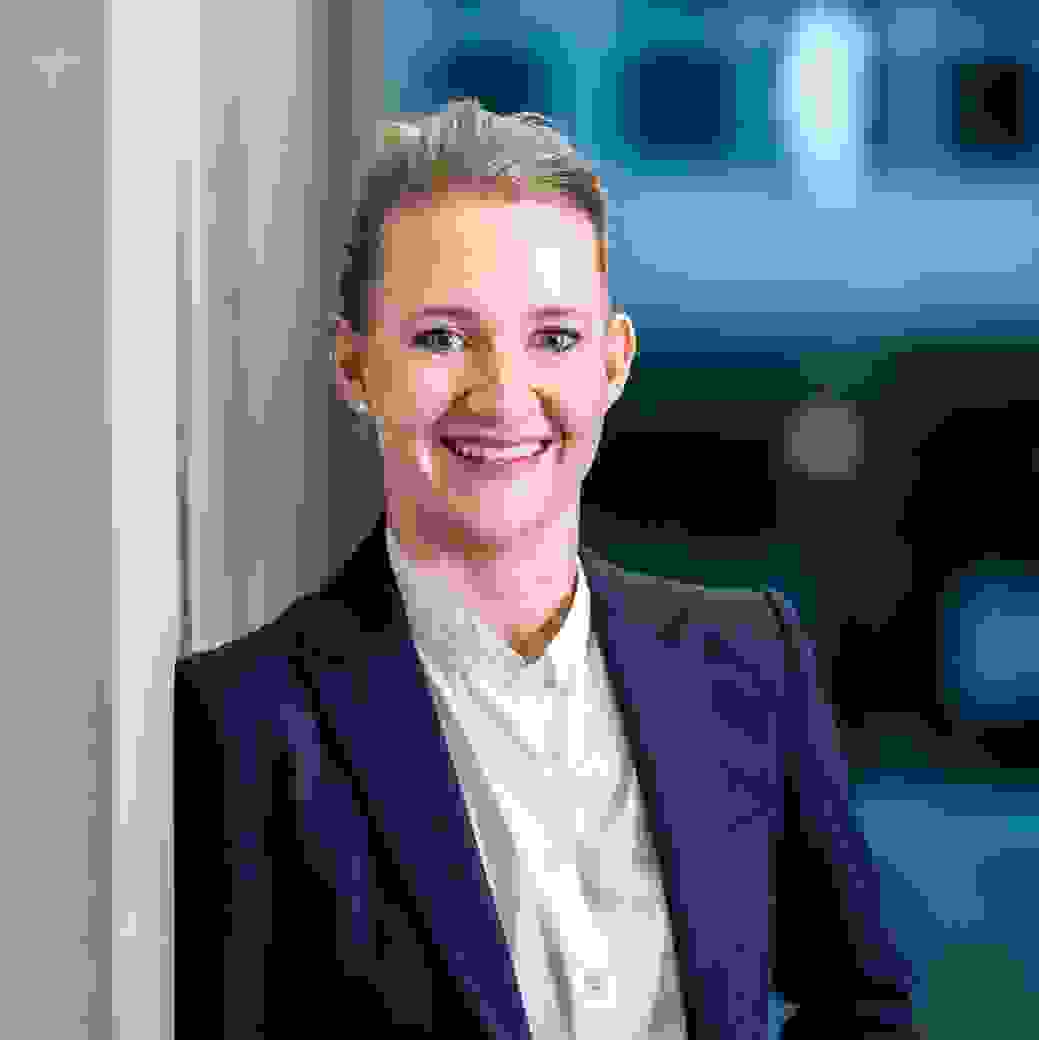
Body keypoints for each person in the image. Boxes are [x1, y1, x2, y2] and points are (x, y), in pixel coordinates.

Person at [174, 98, 920, 1038]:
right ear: (355, 367)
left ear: (613, 362)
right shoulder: (246, 722)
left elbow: (864, 1007)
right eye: (443, 337)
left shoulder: (748, 663)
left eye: (554, 338)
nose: (502, 395)